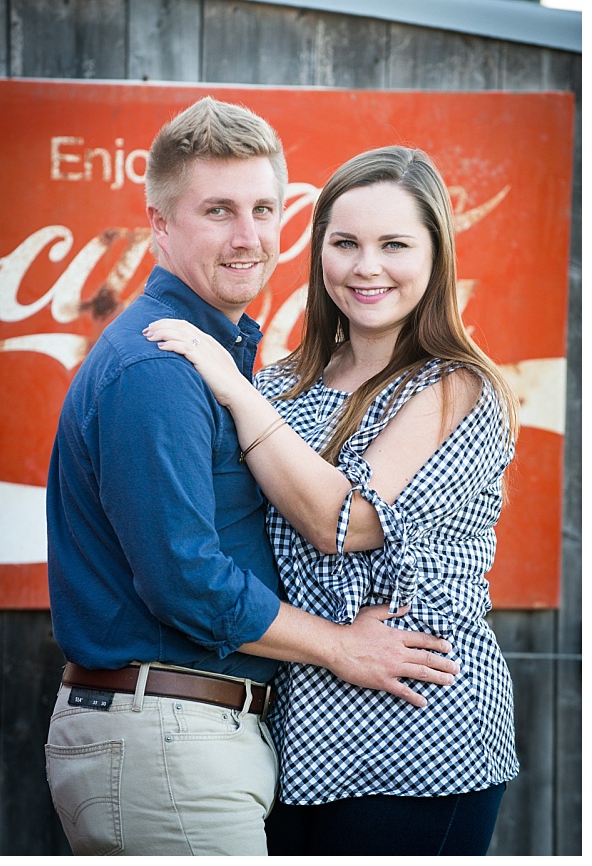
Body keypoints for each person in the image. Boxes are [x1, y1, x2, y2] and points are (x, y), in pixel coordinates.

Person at [45, 100, 460, 857]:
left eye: (265, 207)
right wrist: (341, 646)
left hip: (197, 736)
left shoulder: (229, 358)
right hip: (167, 739)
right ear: (160, 224)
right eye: (218, 209)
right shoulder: (160, 365)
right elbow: (184, 578)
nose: (249, 236)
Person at [144, 142, 519, 855]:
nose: (365, 265)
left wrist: (230, 386)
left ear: (436, 254)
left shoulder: (454, 387)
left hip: (420, 728)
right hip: (294, 736)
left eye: (394, 244)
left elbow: (344, 521)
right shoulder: (282, 383)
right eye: (344, 242)